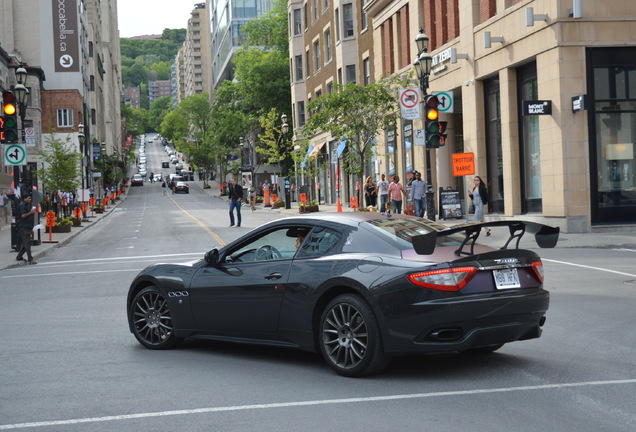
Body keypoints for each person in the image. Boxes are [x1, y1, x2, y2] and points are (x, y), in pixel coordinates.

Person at [15, 194, 38, 265]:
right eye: (28, 198)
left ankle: (19, 256)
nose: (30, 199)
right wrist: (31, 212)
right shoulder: (22, 205)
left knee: (25, 243)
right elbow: (23, 215)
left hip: (28, 226)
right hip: (23, 226)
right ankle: (30, 259)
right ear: (24, 199)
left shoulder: (27, 205)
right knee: (27, 242)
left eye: (30, 198)